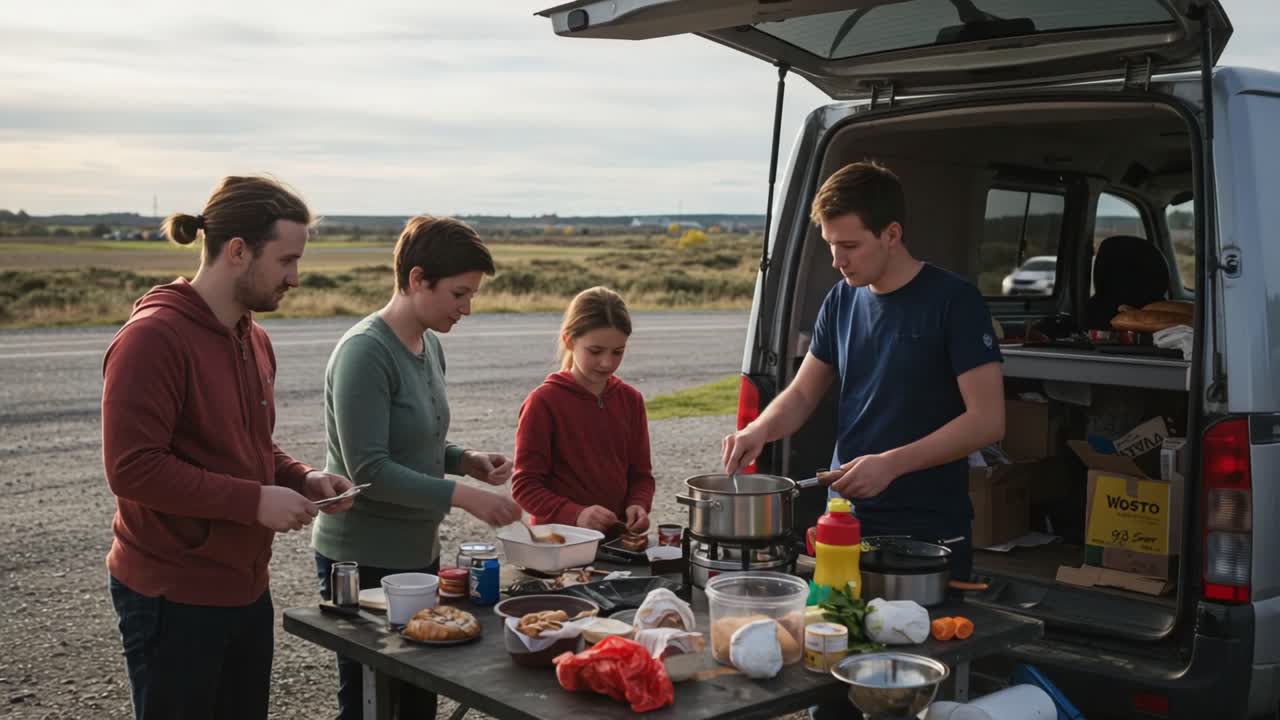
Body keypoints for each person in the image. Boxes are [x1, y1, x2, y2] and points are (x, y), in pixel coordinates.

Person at [101, 175, 354, 720]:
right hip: (172, 595)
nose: (295, 277)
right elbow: (133, 469)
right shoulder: (153, 338)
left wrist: (300, 477)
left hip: (244, 588)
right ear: (237, 251)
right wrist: (254, 501)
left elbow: (251, 447)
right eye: (286, 260)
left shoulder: (253, 336)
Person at [722, 161, 1005, 585]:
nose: (837, 261)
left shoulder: (953, 302)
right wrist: (759, 431)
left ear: (891, 234)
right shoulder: (841, 300)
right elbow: (801, 396)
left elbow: (987, 421)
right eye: (830, 245)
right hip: (844, 520)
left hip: (926, 529)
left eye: (849, 246)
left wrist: (890, 465)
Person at [311, 214, 523, 719]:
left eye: (471, 295)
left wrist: (464, 461)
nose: (467, 308)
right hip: (364, 560)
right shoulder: (365, 353)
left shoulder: (429, 344)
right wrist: (463, 495)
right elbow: (371, 471)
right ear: (415, 280)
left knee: (416, 703)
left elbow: (417, 440)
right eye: (458, 294)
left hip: (416, 555)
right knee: (370, 705)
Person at [512, 286, 655, 534]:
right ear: (569, 341)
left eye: (618, 352)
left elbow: (641, 476)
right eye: (595, 351)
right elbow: (525, 486)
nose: (607, 362)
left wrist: (638, 504)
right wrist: (576, 515)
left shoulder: (631, 400)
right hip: (558, 543)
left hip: (615, 542)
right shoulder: (543, 402)